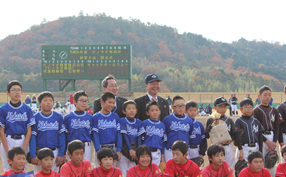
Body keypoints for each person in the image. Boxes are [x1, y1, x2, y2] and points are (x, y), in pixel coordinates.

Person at [0, 80, 35, 172]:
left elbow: (29, 130)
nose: (17, 92)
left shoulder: (27, 109)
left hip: (23, 140)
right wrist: (7, 149)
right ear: (8, 93)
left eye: (19, 90)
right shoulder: (3, 109)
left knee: (23, 167)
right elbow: (1, 130)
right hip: (8, 140)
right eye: (14, 90)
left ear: (22, 92)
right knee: (8, 167)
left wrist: (24, 147)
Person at [29, 91, 65, 173]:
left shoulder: (58, 117)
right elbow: (32, 137)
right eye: (45, 100)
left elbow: (62, 136)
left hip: (54, 152)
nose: (48, 102)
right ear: (39, 103)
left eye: (50, 100)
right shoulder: (35, 117)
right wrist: (33, 154)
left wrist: (61, 153)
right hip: (40, 153)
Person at [253, 85, 282, 176]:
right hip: (261, 138)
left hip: (272, 136)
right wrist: (268, 142)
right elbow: (256, 130)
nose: (267, 97)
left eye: (269, 95)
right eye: (265, 95)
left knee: (271, 163)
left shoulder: (274, 110)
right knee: (260, 162)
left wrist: (274, 142)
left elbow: (277, 127)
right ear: (259, 96)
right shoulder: (256, 110)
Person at [205, 97, 237, 169]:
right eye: (220, 106)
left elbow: (234, 134)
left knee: (229, 168)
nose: (223, 109)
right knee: (216, 169)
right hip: (216, 147)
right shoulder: (210, 120)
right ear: (214, 107)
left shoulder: (229, 120)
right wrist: (209, 128)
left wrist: (230, 140)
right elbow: (206, 135)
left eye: (224, 106)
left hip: (227, 147)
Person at [92, 92, 122, 167]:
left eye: (113, 103)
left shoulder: (115, 117)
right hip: (101, 148)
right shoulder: (95, 117)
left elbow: (119, 134)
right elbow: (95, 135)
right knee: (99, 172)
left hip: (113, 148)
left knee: (112, 172)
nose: (112, 105)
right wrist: (98, 151)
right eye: (109, 102)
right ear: (102, 102)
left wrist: (118, 149)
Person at [64, 91, 93, 162]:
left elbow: (92, 134)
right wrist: (63, 152)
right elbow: (64, 135)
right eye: (82, 101)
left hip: (86, 146)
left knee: (85, 170)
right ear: (74, 102)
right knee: (72, 170)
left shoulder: (90, 117)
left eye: (86, 101)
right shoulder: (68, 117)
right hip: (72, 146)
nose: (84, 103)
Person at [162, 96, 193, 162]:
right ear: (173, 107)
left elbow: (190, 135)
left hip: (184, 151)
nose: (181, 108)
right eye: (178, 106)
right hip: (170, 150)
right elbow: (163, 137)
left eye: (182, 105)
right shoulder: (167, 119)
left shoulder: (189, 120)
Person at [117, 100, 142, 176]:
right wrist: (130, 149)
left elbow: (139, 137)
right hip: (125, 149)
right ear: (124, 111)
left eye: (133, 108)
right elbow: (124, 136)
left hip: (135, 151)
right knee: (123, 172)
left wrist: (138, 150)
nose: (132, 110)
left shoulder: (139, 122)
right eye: (129, 108)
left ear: (136, 110)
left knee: (133, 172)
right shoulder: (122, 120)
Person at [234, 98, 263, 163]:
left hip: (255, 147)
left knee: (255, 169)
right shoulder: (238, 121)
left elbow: (260, 137)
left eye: (250, 107)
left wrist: (260, 151)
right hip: (244, 148)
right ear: (241, 109)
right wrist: (240, 150)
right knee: (242, 169)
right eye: (246, 107)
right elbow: (237, 136)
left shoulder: (256, 121)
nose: (248, 109)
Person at [141, 101, 166, 166]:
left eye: (156, 110)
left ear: (160, 112)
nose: (155, 112)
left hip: (157, 152)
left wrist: (162, 158)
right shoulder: (145, 123)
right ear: (147, 113)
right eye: (152, 110)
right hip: (146, 152)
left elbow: (163, 142)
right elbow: (141, 139)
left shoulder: (162, 125)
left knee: (155, 172)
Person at [277, 85, 286, 163]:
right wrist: (280, 141)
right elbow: (278, 126)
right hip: (285, 136)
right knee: (285, 160)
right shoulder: (281, 107)